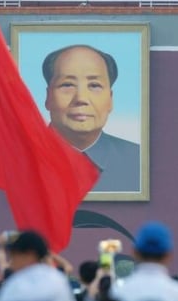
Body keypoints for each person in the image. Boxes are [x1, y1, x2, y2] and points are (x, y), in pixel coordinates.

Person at [42, 45, 140, 193]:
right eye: (67, 85)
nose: (81, 99)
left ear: (110, 99)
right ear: (48, 97)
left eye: (94, 85)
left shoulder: (139, 161)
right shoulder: (15, 159)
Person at [0, 230, 80, 301]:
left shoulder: (16, 285)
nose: (12, 259)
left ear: (30, 255)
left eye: (14, 254)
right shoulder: (58, 280)